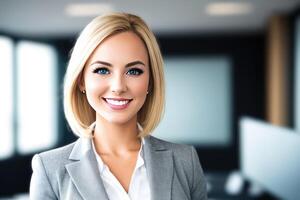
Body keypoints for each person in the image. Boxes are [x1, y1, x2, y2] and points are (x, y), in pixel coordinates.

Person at [30, 12, 207, 200]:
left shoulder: (186, 160)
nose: (118, 87)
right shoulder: (49, 168)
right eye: (102, 70)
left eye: (133, 71)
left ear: (150, 81)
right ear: (81, 80)